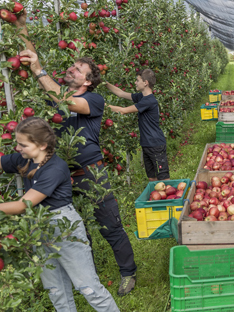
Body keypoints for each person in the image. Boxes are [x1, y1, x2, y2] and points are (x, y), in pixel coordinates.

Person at [14, 11, 137, 296]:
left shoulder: (94, 99)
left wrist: (40, 71)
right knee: (75, 232)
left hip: (90, 173)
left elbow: (63, 99)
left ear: (88, 82)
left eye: (78, 69)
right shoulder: (55, 94)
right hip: (58, 176)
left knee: (109, 225)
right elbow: (35, 64)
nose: (71, 70)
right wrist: (22, 30)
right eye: (72, 66)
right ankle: (87, 279)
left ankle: (127, 273)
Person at [0, 117, 120, 311]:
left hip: (63, 227)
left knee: (88, 287)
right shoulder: (25, 159)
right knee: (56, 290)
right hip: (39, 229)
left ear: (42, 145)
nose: (17, 148)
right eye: (17, 143)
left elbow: (24, 205)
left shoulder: (55, 168)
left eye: (22, 144)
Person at [105, 69, 170, 181]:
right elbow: (121, 93)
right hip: (147, 144)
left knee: (163, 179)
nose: (135, 82)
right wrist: (104, 83)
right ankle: (157, 197)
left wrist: (102, 105)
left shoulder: (149, 101)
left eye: (137, 80)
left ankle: (170, 198)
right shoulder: (141, 97)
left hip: (155, 145)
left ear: (145, 83)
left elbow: (123, 111)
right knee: (152, 178)